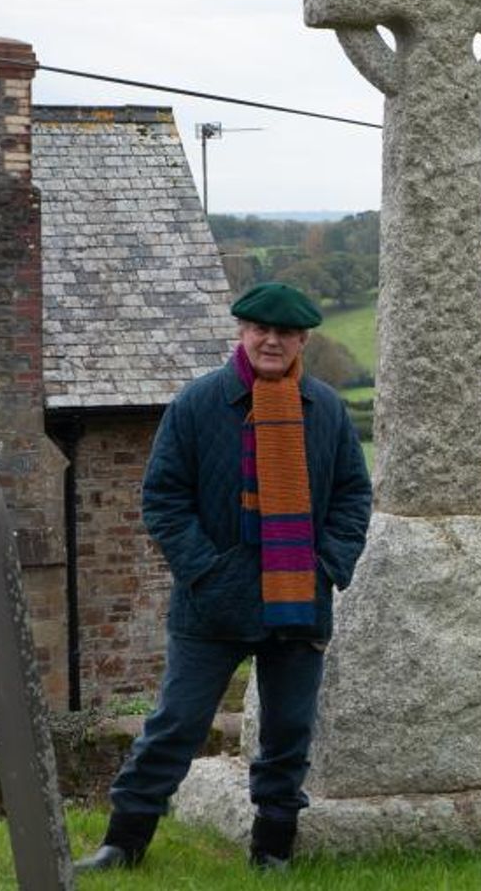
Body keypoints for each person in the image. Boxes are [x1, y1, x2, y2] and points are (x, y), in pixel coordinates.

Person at [75, 282, 372, 871]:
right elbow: (162, 497)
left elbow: (352, 497)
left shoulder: (327, 410)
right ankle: (123, 842)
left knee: (287, 732)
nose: (271, 340)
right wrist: (205, 572)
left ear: (301, 339)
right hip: (211, 603)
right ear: (241, 332)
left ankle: (273, 851)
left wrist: (326, 567)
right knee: (176, 725)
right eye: (260, 329)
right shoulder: (198, 403)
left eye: (284, 332)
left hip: (297, 599)